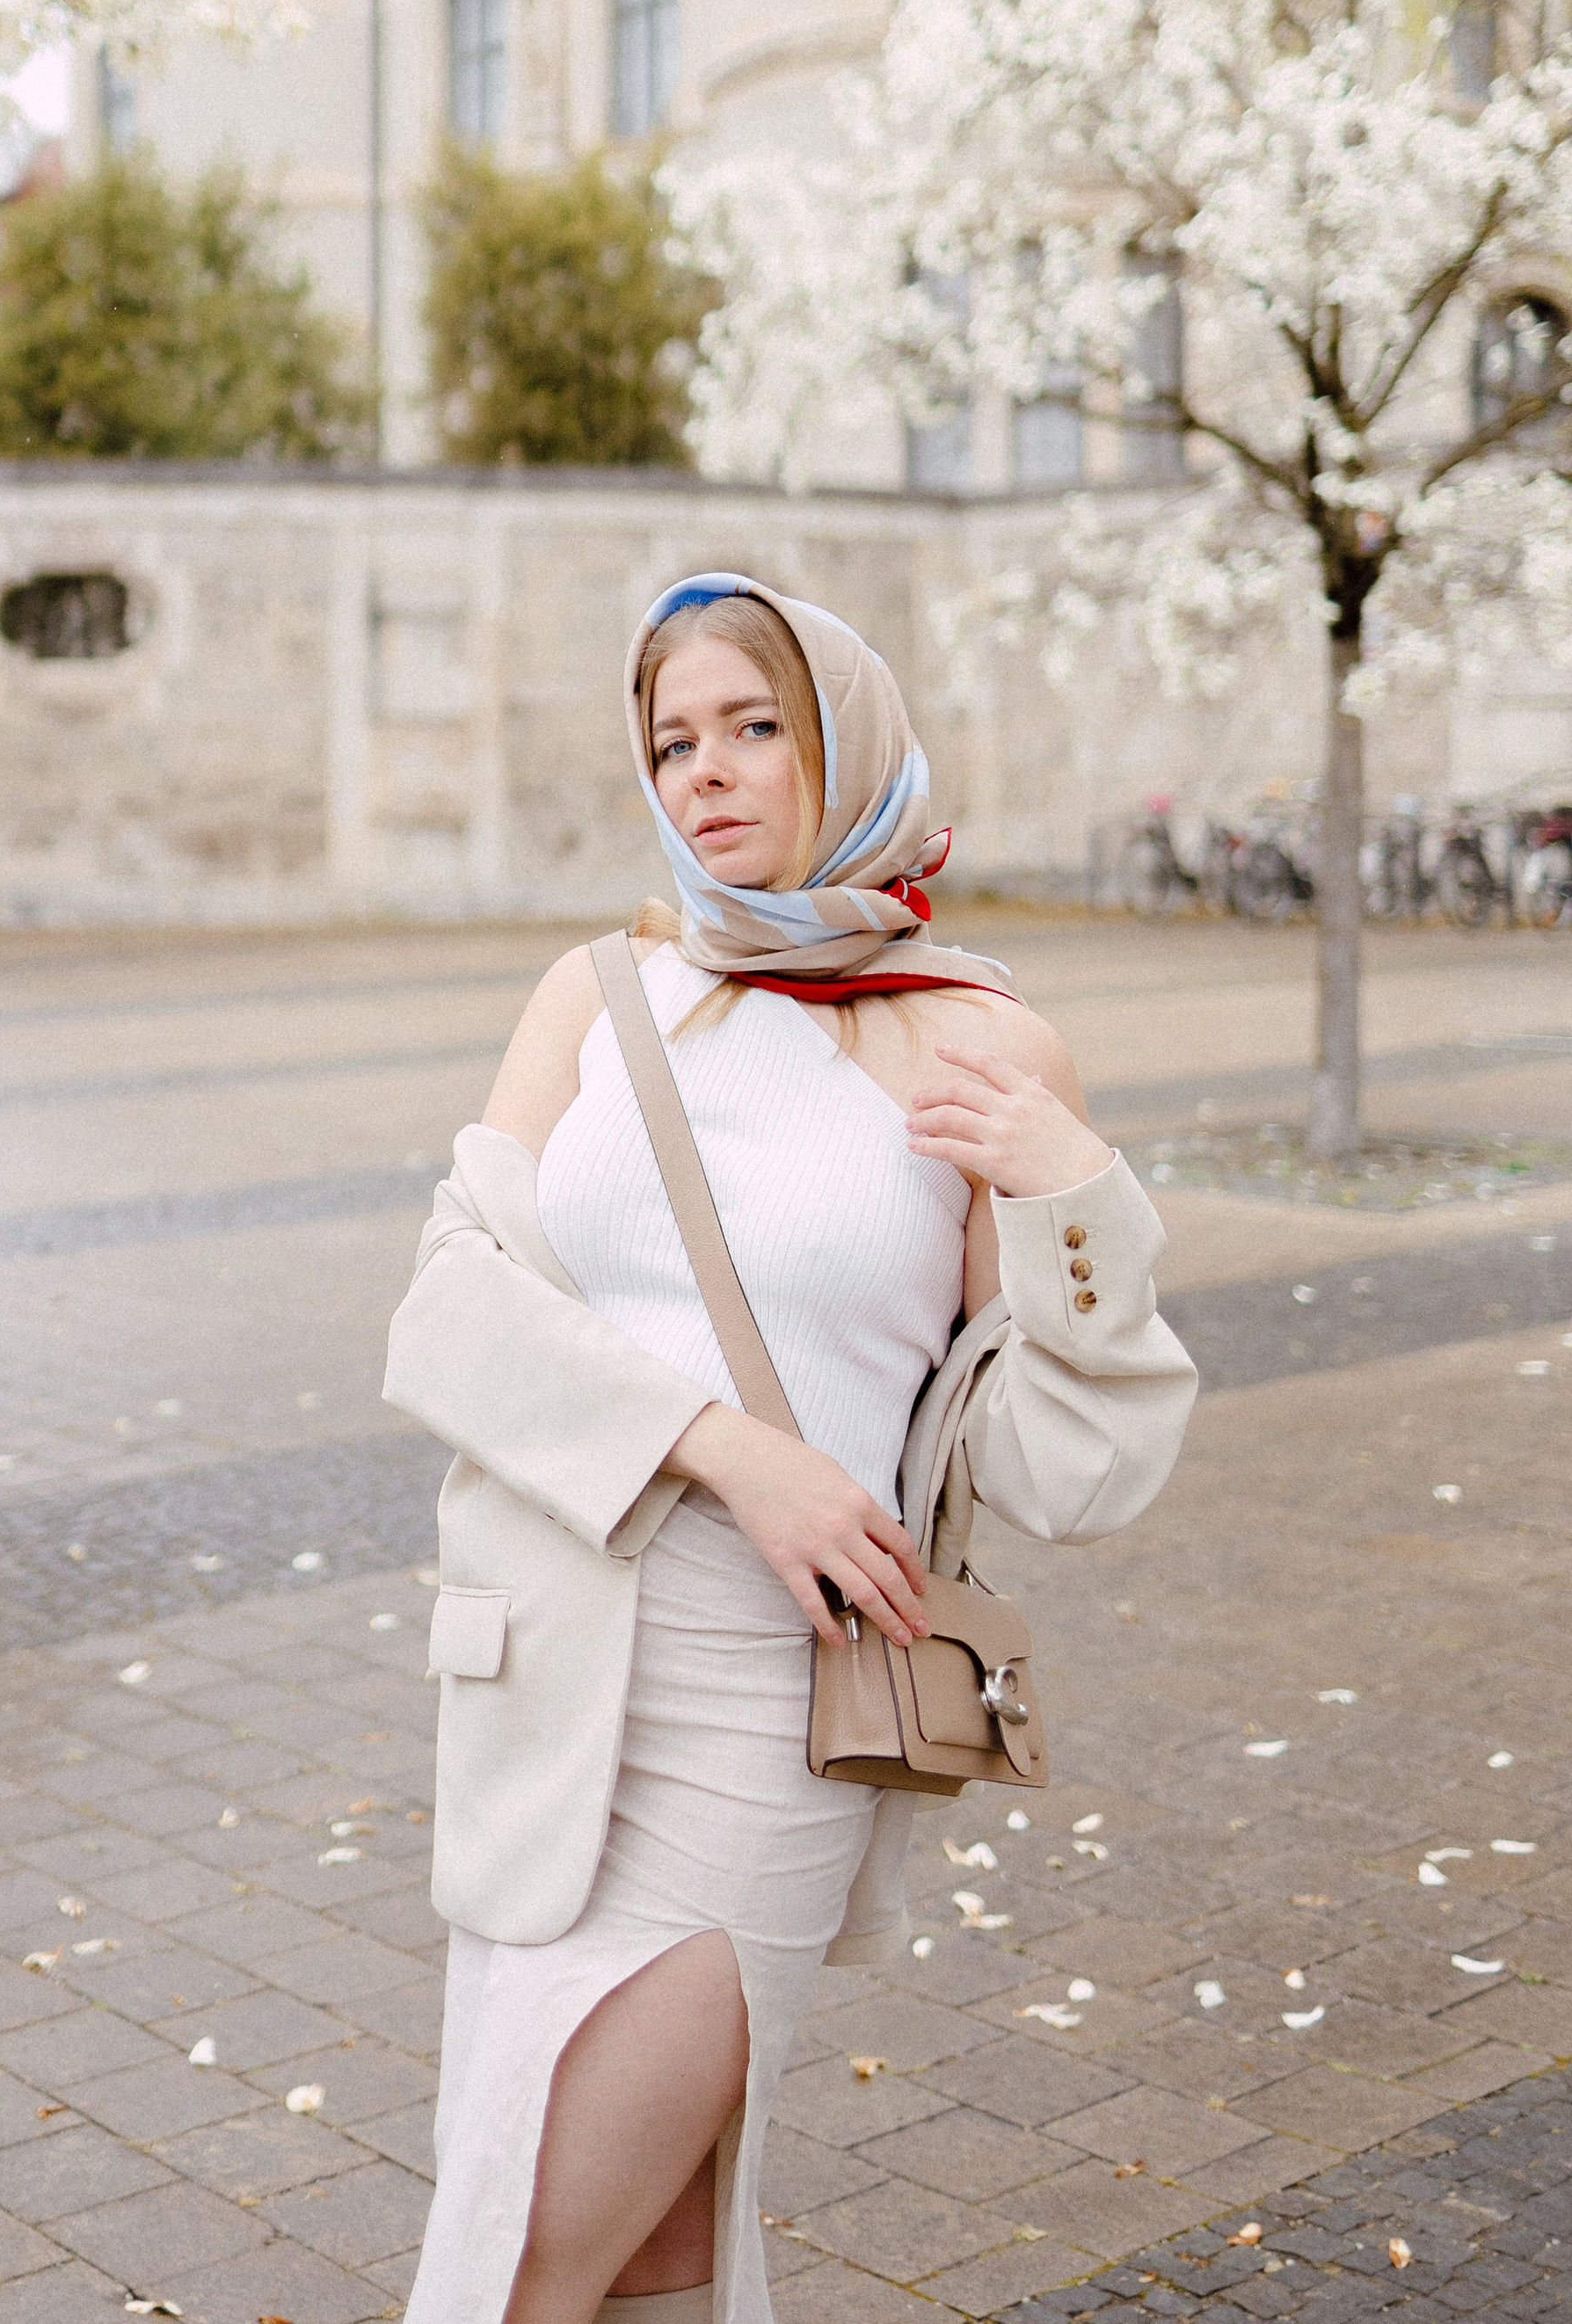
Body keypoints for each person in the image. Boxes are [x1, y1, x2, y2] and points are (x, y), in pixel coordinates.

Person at [384, 572, 1197, 2324]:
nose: (705, 774)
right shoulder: (598, 996)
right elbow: (447, 1310)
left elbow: (1066, 1469)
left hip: (768, 1707)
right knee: (647, 2264)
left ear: (850, 739)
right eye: (671, 740)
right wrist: (729, 1452)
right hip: (542, 1688)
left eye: (755, 725)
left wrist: (1074, 1201)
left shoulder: (980, 1042)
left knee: (524, 2264)